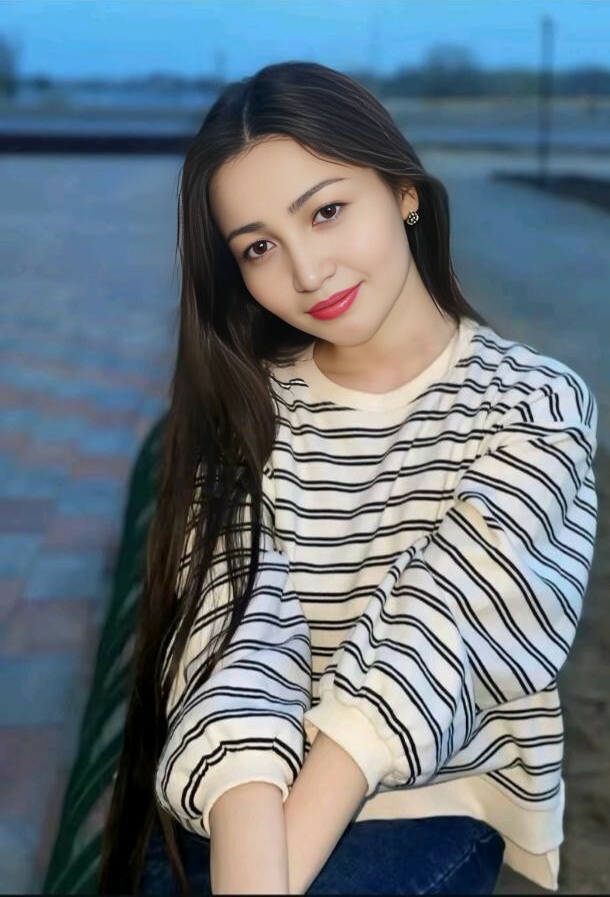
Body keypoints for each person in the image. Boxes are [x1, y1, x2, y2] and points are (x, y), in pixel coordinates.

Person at [98, 61, 598, 895]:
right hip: (244, 789)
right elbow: (236, 632)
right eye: (259, 247)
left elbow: (442, 633)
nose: (306, 272)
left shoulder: (532, 404)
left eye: (326, 211)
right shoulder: (249, 405)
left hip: (429, 796)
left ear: (403, 191)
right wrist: (255, 849)